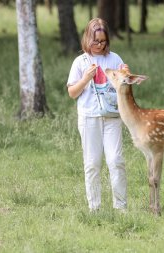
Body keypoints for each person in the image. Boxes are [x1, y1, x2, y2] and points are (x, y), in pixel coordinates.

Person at [66, 18, 129, 212]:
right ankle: (95, 209)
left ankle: (121, 208)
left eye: (103, 41)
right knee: (92, 163)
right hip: (89, 117)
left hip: (112, 117)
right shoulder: (80, 62)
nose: (100, 45)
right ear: (87, 39)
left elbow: (124, 87)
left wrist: (126, 75)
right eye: (96, 41)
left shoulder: (115, 59)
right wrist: (85, 78)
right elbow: (72, 93)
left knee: (115, 161)